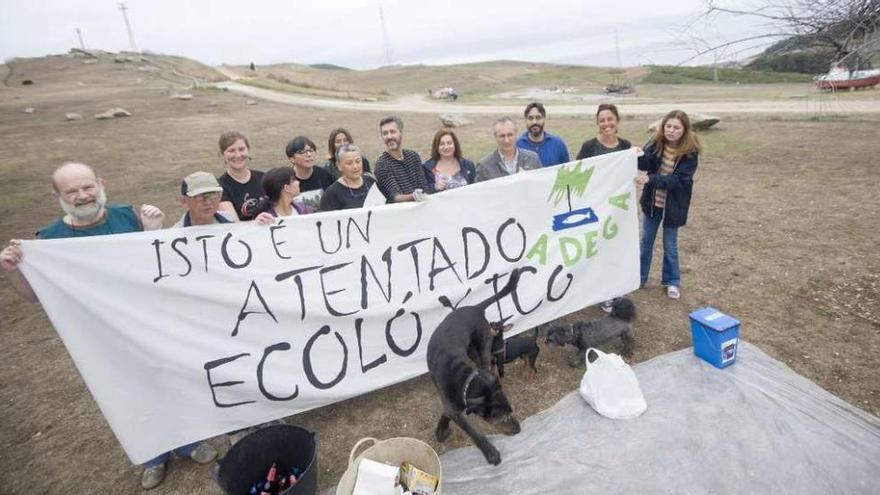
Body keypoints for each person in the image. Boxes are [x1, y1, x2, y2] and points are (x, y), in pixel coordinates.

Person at [0, 163, 217, 490]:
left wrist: (151, 232)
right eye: (71, 191)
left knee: (171, 381)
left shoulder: (128, 218)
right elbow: (34, 296)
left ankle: (188, 441)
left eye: (86, 187)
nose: (82, 195)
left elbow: (155, 268)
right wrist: (13, 271)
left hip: (148, 325)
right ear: (58, 196)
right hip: (99, 338)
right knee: (128, 394)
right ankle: (153, 455)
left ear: (100, 184)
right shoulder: (49, 240)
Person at [637, 110, 702, 300]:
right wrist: (638, 153)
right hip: (652, 204)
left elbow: (679, 180)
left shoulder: (690, 152)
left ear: (684, 130)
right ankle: (640, 278)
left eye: (676, 127)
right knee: (646, 242)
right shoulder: (655, 143)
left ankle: (672, 282)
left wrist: (650, 179)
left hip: (673, 206)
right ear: (663, 127)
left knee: (670, 245)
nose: (671, 131)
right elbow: (647, 163)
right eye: (668, 126)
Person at [576, 103, 635, 313]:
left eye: (610, 119)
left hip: (618, 207)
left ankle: (617, 290)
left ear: (617, 121)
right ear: (597, 123)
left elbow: (630, 173)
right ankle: (602, 293)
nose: (606, 123)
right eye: (602, 120)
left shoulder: (626, 146)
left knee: (618, 248)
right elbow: (579, 174)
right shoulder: (589, 146)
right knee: (599, 249)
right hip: (596, 206)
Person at [374, 116, 430, 202]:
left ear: (401, 132)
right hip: (400, 212)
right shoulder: (382, 164)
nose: (389, 137)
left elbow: (424, 186)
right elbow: (395, 197)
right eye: (385, 133)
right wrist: (414, 196)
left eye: (392, 132)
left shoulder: (413, 156)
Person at [216, 131, 265, 221]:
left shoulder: (264, 178)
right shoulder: (220, 188)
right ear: (222, 155)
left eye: (241, 149)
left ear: (248, 150)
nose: (238, 155)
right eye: (231, 151)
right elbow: (234, 224)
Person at [476, 117, 541, 182]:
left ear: (516, 134)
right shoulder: (484, 166)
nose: (506, 140)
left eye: (510, 135)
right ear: (495, 137)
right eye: (502, 136)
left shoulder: (533, 159)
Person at [320, 144, 378, 211]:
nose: (355, 166)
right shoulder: (332, 193)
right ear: (339, 165)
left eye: (358, 161)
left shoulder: (371, 181)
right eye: (349, 163)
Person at [285, 136, 334, 211]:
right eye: (302, 152)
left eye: (311, 151)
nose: (309, 155)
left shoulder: (324, 175)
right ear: (292, 159)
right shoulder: (286, 180)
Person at [516, 102, 570, 167]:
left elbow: (567, 171)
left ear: (544, 119)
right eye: (530, 118)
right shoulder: (517, 145)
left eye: (538, 117)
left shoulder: (558, 145)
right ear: (526, 120)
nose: (534, 122)